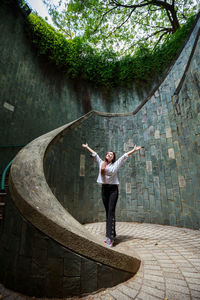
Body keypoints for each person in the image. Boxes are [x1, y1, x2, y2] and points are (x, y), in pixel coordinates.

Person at [82, 143, 142, 247]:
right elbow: (95, 154)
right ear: (106, 155)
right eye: (108, 154)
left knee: (111, 212)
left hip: (113, 190)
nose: (109, 155)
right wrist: (87, 147)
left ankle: (109, 237)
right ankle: (112, 233)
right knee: (108, 213)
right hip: (104, 190)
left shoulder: (115, 165)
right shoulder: (101, 163)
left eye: (112, 155)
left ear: (113, 158)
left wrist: (134, 150)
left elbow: (124, 156)